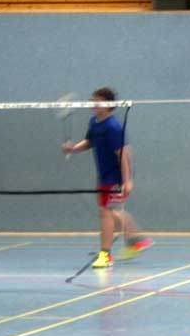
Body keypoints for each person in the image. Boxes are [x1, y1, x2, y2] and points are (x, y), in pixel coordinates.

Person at [62, 87, 152, 269]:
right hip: (103, 175)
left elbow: (123, 154)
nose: (94, 103)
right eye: (93, 99)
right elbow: (89, 141)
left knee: (106, 213)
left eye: (98, 100)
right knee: (112, 211)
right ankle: (136, 240)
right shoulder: (94, 122)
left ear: (108, 104)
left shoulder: (113, 127)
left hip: (115, 177)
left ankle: (106, 254)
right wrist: (73, 148)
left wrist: (127, 180)